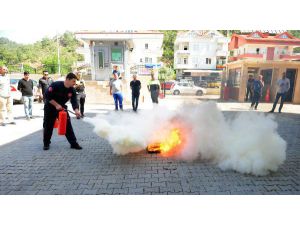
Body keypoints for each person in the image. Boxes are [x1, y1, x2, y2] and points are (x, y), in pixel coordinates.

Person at [43, 73, 82, 150]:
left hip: (61, 108)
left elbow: (74, 101)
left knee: (67, 125)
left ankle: (73, 143)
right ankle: (46, 143)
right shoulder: (55, 85)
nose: (74, 83)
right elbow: (47, 96)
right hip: (50, 107)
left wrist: (77, 111)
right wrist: (56, 105)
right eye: (73, 81)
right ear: (67, 80)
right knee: (48, 125)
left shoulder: (72, 90)